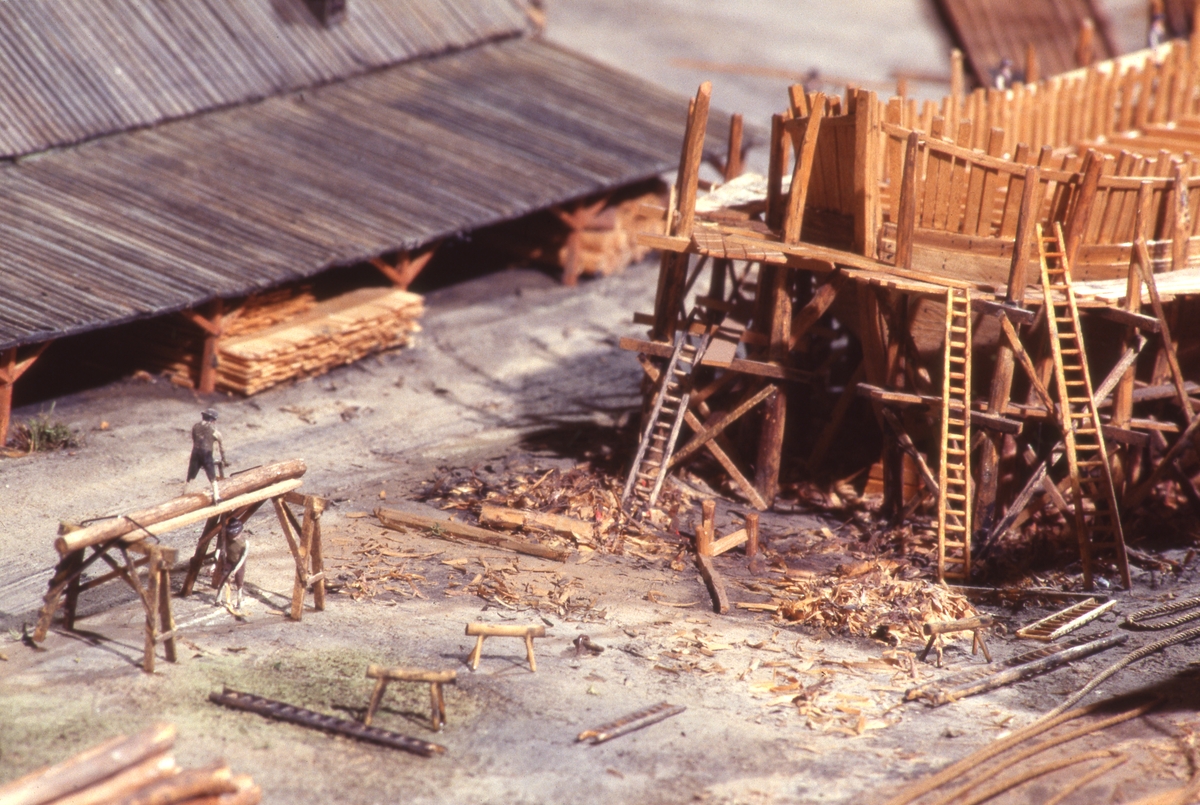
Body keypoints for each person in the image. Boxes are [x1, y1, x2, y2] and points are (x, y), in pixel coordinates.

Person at [184, 408, 226, 503]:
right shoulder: (215, 432)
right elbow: (222, 448)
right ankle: (217, 497)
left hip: (195, 454)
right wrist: (224, 459)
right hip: (206, 455)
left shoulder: (195, 427)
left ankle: (184, 494)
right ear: (213, 420)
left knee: (191, 475)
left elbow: (195, 440)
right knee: (212, 477)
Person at [214, 517, 249, 610]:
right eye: (231, 535)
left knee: (239, 581)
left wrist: (235, 570)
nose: (233, 537)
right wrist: (215, 561)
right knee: (222, 578)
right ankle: (218, 598)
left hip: (239, 564)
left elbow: (242, 558)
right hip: (229, 561)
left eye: (236, 535)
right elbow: (219, 548)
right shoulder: (226, 539)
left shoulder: (244, 543)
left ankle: (239, 600)